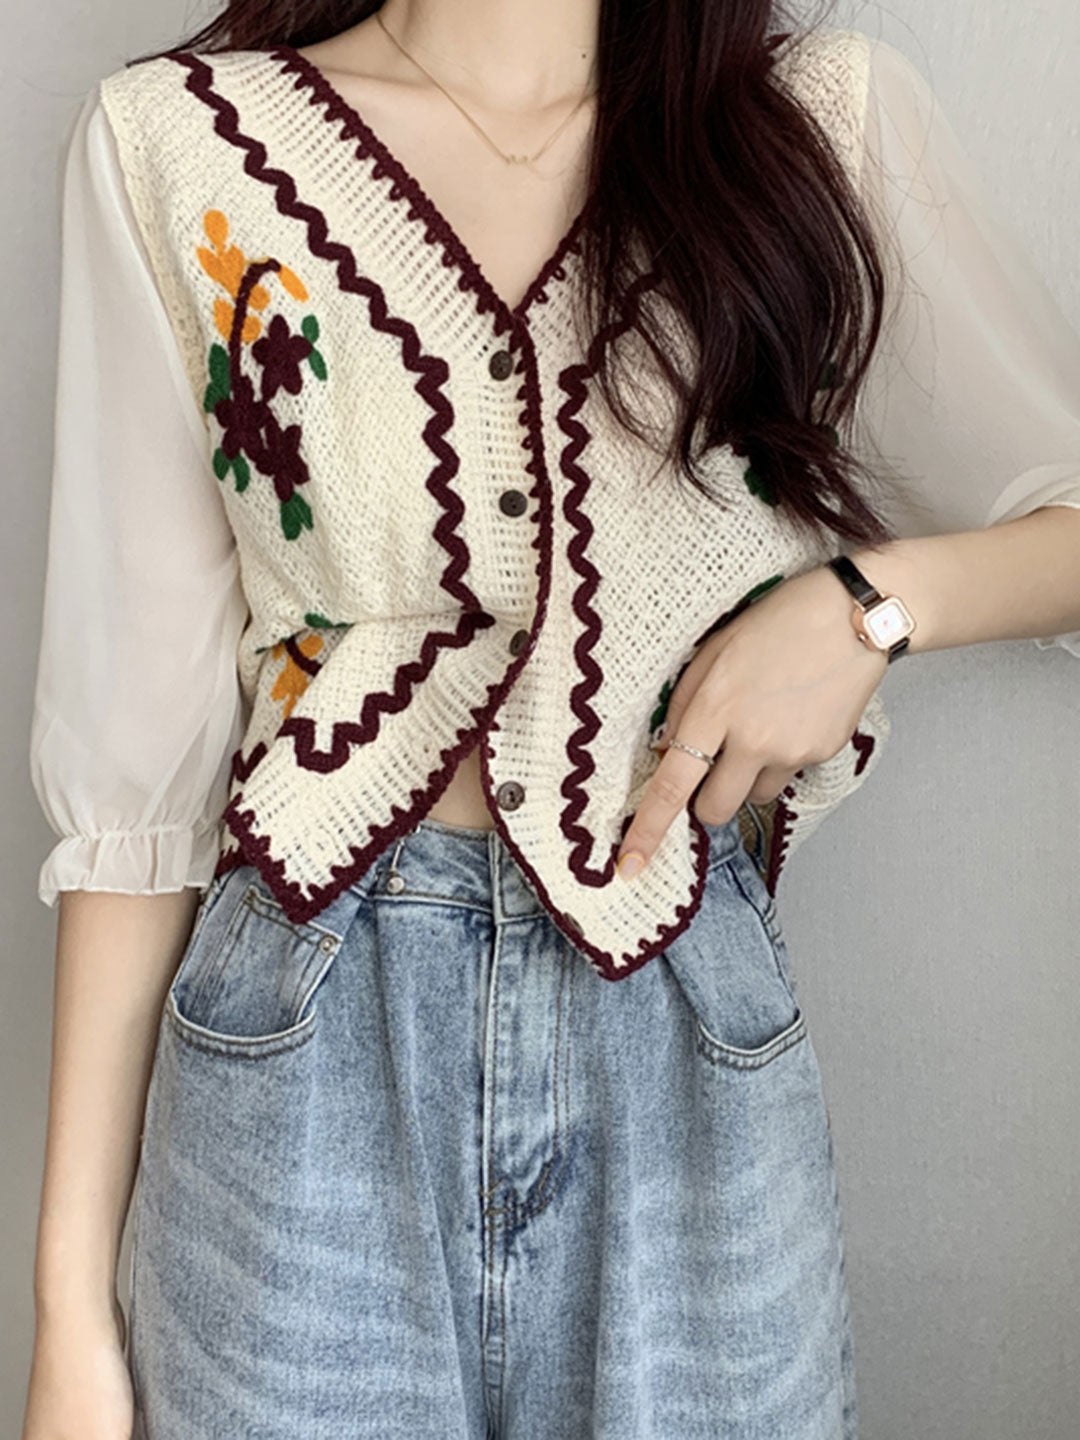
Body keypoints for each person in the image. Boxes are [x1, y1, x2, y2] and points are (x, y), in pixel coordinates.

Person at [20, 2, 1080, 1437]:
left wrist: (869, 609)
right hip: (303, 1037)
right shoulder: (179, 143)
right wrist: (69, 1313)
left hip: (683, 1032)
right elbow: (133, 780)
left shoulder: (819, 122)